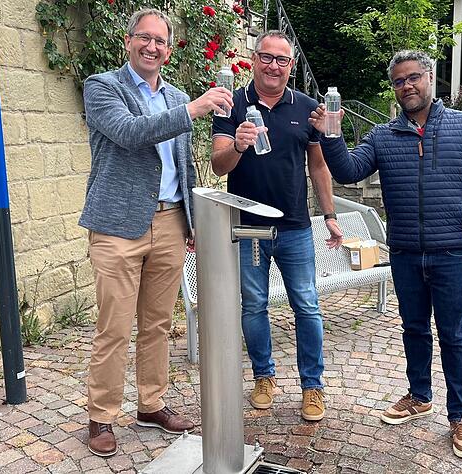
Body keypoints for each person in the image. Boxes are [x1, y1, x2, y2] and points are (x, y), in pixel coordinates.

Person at [309, 50, 462, 459]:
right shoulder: (383, 135)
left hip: (451, 252)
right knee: (413, 329)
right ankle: (419, 395)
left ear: (430, 78)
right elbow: (347, 171)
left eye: (414, 77)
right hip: (404, 253)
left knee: (453, 335)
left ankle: (460, 414)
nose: (407, 86)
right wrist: (332, 135)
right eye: (399, 81)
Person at [79, 8, 234, 457]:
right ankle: (101, 417)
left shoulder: (175, 95)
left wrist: (189, 220)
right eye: (144, 38)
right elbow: (129, 133)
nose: (152, 47)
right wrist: (195, 108)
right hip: (117, 225)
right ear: (128, 42)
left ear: (168, 50)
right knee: (114, 327)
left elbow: (183, 163)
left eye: (160, 41)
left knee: (159, 325)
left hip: (169, 221)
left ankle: (150, 404)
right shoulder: (102, 86)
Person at [211, 30, 343, 422]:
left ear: (292, 66)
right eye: (266, 57)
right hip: (248, 228)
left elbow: (318, 166)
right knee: (253, 305)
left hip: (295, 228)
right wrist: (237, 144)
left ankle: (312, 386)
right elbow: (218, 164)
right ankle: (263, 376)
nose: (273, 66)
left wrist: (331, 216)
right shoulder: (231, 103)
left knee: (307, 305)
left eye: (281, 60)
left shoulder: (306, 107)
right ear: (254, 60)